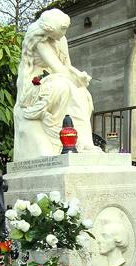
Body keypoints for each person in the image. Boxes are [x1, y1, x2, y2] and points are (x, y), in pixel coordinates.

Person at [14, 9, 100, 161]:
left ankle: (84, 142)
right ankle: (69, 140)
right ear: (49, 30)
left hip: (58, 76)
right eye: (61, 31)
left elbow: (66, 65)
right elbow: (57, 67)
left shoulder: (61, 39)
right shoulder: (39, 40)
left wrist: (79, 75)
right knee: (65, 86)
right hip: (36, 82)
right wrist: (74, 80)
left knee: (83, 93)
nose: (64, 34)